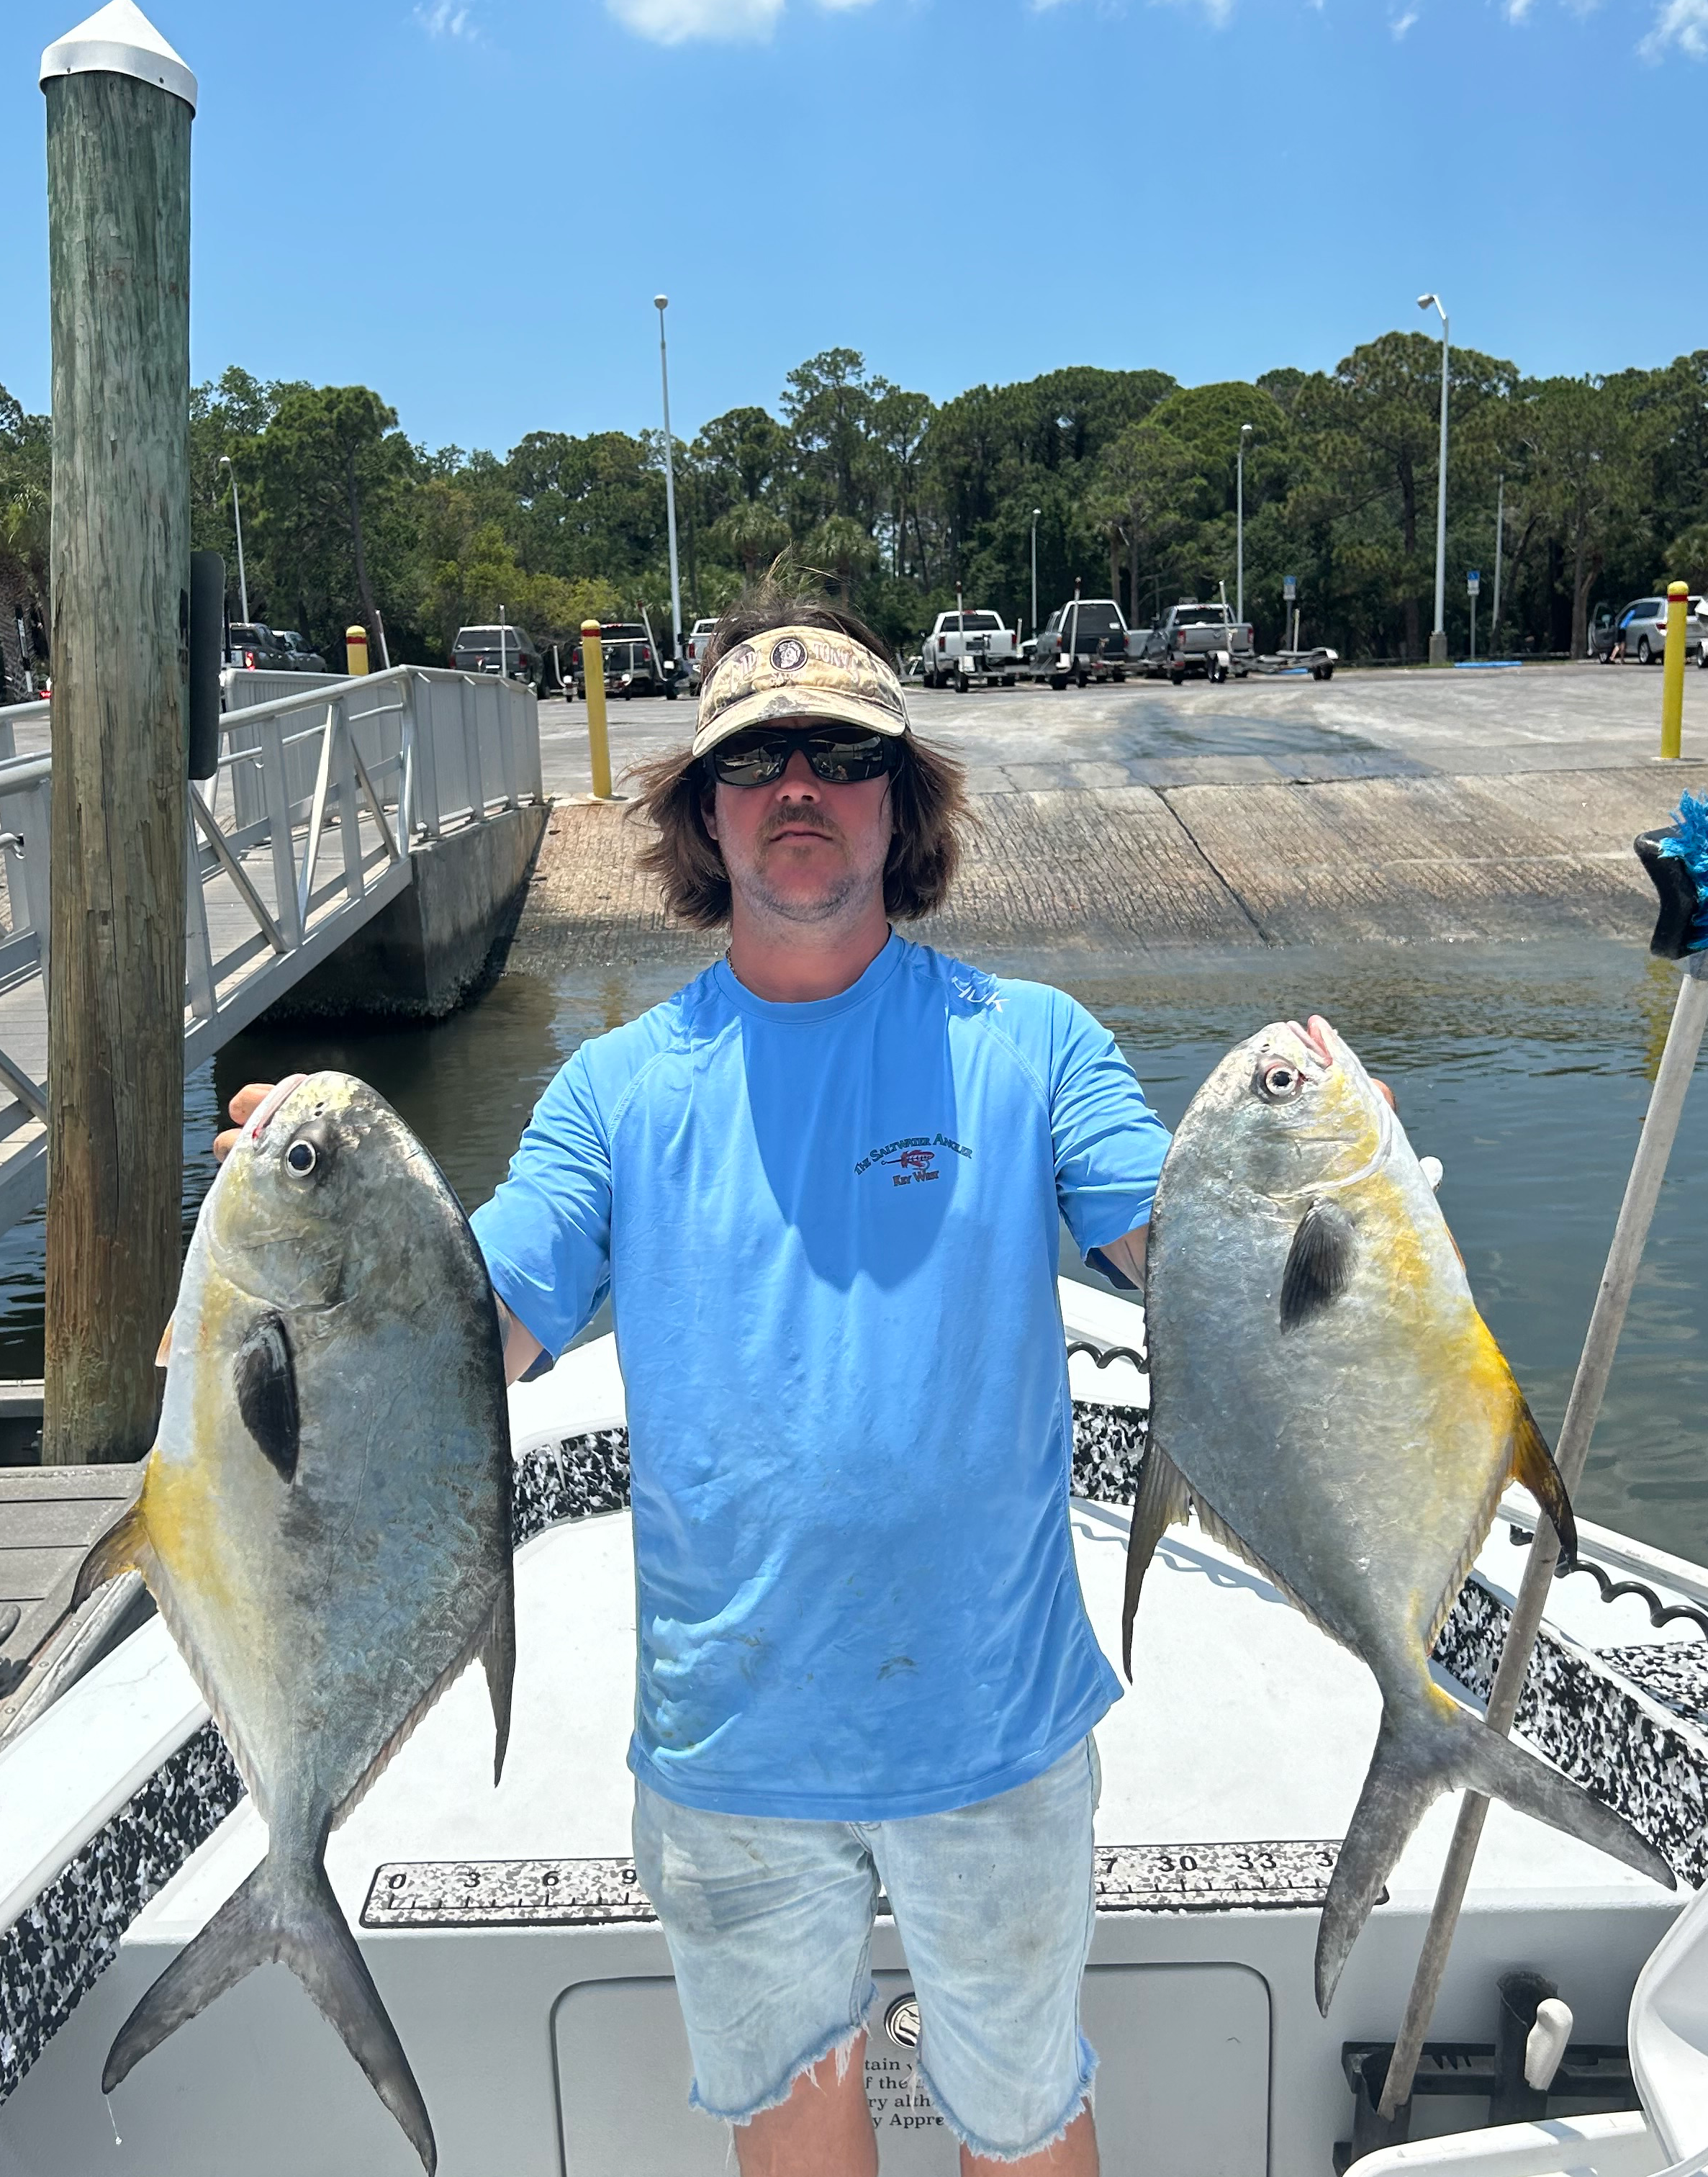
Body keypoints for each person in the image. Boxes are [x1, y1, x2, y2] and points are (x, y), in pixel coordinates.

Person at [218, 587, 1170, 2175]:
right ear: (705, 815)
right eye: (757, 758)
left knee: (1028, 2118)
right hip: (731, 1748)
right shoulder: (613, 1092)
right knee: (793, 2142)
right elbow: (475, 1330)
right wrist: (320, 1223)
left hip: (996, 1727)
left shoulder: (1037, 1044)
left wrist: (1331, 1197)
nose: (798, 784)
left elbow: (1193, 1262)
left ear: (902, 801)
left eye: (842, 752)